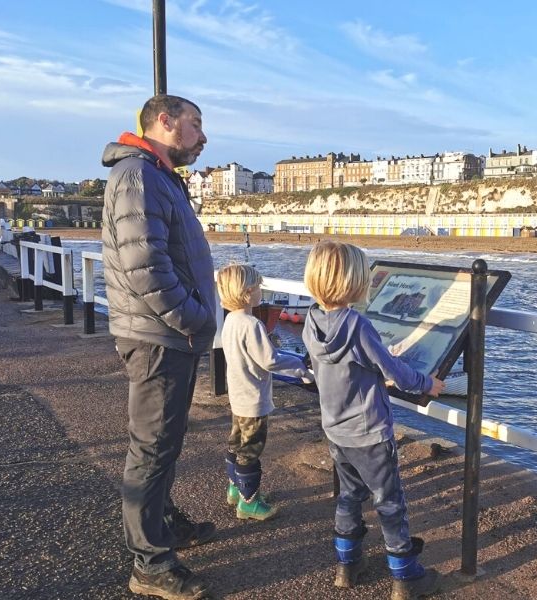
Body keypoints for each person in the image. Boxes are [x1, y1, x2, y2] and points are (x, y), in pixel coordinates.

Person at [102, 94, 215, 600]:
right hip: (159, 338)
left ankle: (162, 526)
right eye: (195, 124)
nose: (203, 137)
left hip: (168, 336)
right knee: (150, 448)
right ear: (165, 122)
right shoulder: (138, 177)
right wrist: (194, 318)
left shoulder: (156, 176)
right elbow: (144, 268)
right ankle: (149, 563)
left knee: (163, 442)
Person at [301, 241, 445, 600]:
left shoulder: (311, 320)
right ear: (355, 282)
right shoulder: (357, 325)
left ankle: (346, 566)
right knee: (390, 501)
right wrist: (429, 383)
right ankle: (405, 576)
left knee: (349, 496)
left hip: (335, 429)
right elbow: (393, 369)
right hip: (370, 433)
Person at [216, 263, 312, 520]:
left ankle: (235, 490)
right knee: (251, 449)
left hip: (238, 395)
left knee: (236, 444)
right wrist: (298, 366)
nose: (261, 292)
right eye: (258, 287)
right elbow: (269, 360)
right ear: (248, 293)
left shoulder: (230, 321)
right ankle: (249, 503)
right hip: (253, 399)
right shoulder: (252, 324)